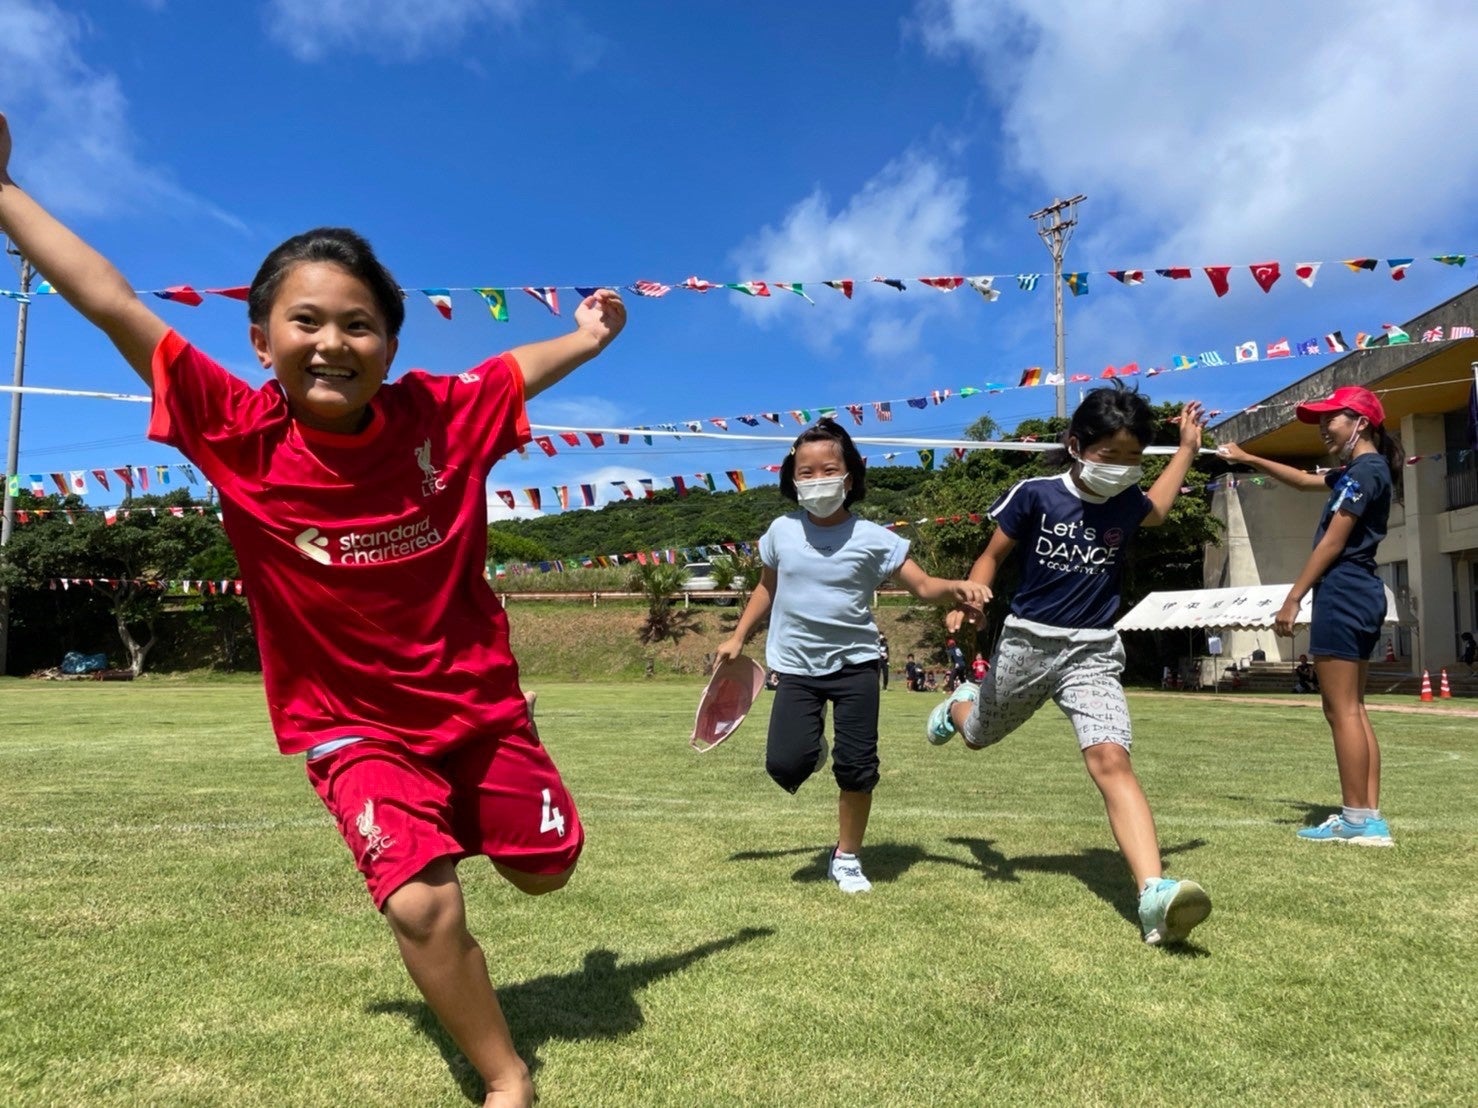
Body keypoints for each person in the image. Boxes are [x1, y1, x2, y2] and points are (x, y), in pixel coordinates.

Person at [0, 112, 627, 1107]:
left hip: (479, 705)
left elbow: (523, 365)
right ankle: (507, 1077)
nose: (332, 341)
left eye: (358, 323)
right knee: (422, 904)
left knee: (547, 872)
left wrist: (588, 338)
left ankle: (502, 767)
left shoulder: (443, 412)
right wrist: (2, 192)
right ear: (261, 340)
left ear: (389, 341)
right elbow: (112, 300)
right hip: (351, 727)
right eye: (306, 320)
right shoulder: (235, 430)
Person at [925, 384, 1214, 947]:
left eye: (1134, 459)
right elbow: (989, 558)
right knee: (979, 735)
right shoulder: (1035, 494)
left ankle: (1153, 893)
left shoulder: (1128, 502)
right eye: (1111, 456)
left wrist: (1186, 448)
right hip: (1028, 644)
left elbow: (1156, 512)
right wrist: (972, 598)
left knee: (1111, 757)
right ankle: (958, 704)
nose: (1122, 469)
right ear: (1076, 444)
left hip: (1093, 650)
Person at [715, 418, 987, 894]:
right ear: (791, 477)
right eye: (806, 471)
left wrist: (956, 588)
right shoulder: (781, 531)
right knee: (786, 765)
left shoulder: (875, 538)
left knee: (857, 767)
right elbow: (766, 586)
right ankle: (813, 748)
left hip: (856, 665)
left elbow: (923, 586)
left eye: (828, 469)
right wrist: (738, 636)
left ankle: (846, 857)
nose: (817, 479)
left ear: (851, 473)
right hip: (796, 667)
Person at [1219, 385, 1401, 848]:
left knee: (1339, 709)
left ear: (1361, 422)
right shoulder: (1361, 470)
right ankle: (1368, 817)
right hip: (1359, 590)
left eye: (1331, 418)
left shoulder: (1365, 472)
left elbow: (1333, 541)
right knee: (1354, 709)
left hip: (1343, 591)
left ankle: (1357, 819)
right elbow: (1302, 481)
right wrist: (1247, 457)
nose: (1323, 427)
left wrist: (1293, 597)